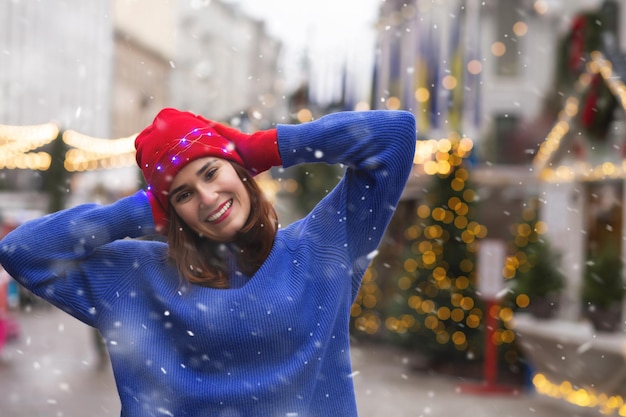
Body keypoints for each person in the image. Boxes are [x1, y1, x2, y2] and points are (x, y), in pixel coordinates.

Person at [0, 108, 416, 416]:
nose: (207, 197)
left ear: (240, 170)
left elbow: (394, 134)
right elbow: (22, 250)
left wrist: (264, 147)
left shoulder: (323, 248)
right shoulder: (136, 277)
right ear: (169, 211)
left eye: (212, 172)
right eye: (182, 194)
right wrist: (142, 209)